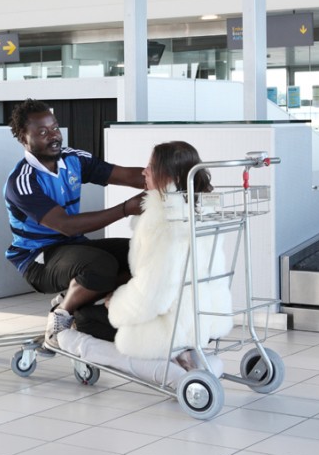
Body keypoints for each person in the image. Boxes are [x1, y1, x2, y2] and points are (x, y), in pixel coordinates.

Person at [3, 99, 146, 350]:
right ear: (23, 139)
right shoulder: (22, 181)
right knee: (101, 265)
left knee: (141, 252)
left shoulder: (73, 159)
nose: (54, 136)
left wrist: (176, 176)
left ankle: (77, 302)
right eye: (43, 132)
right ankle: (62, 314)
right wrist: (125, 209)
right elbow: (66, 225)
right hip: (38, 259)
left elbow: (126, 175)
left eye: (55, 128)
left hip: (73, 247)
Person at [99, 140, 232, 373]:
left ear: (170, 176)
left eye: (151, 166)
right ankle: (189, 357)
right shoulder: (203, 210)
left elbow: (153, 294)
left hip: (170, 329)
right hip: (204, 320)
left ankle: (176, 359)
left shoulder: (162, 219)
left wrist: (115, 305)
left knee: (88, 317)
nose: (144, 172)